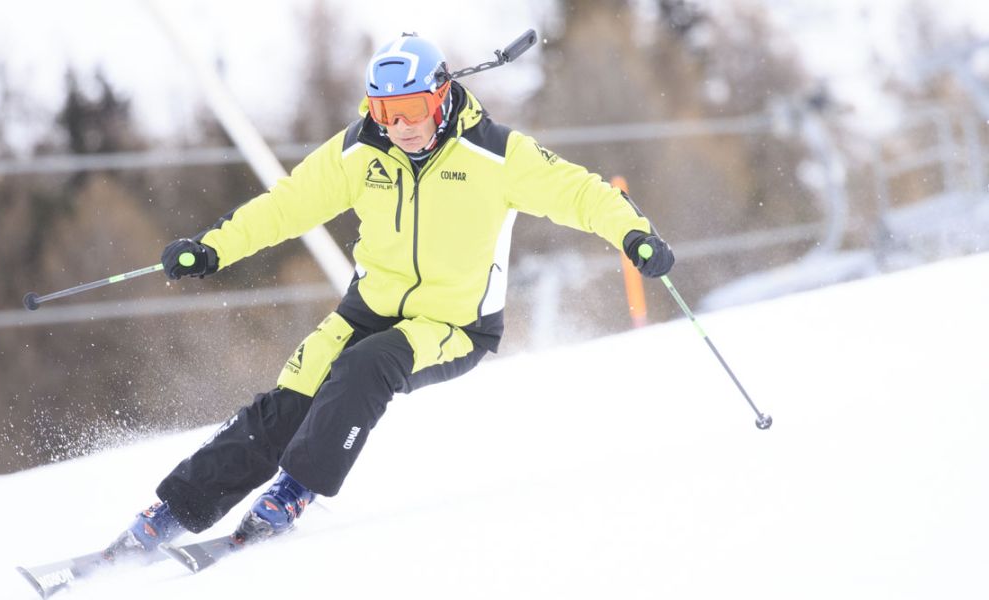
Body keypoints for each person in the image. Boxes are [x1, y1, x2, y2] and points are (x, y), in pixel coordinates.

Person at [105, 33, 674, 556]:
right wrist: (212, 249)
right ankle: (174, 511)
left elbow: (580, 193)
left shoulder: (497, 155)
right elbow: (287, 205)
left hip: (454, 325)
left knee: (366, 367)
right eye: (384, 112)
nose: (399, 126)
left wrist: (634, 234)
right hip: (367, 308)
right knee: (290, 398)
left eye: (411, 111)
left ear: (442, 97)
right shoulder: (361, 151)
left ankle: (295, 489)